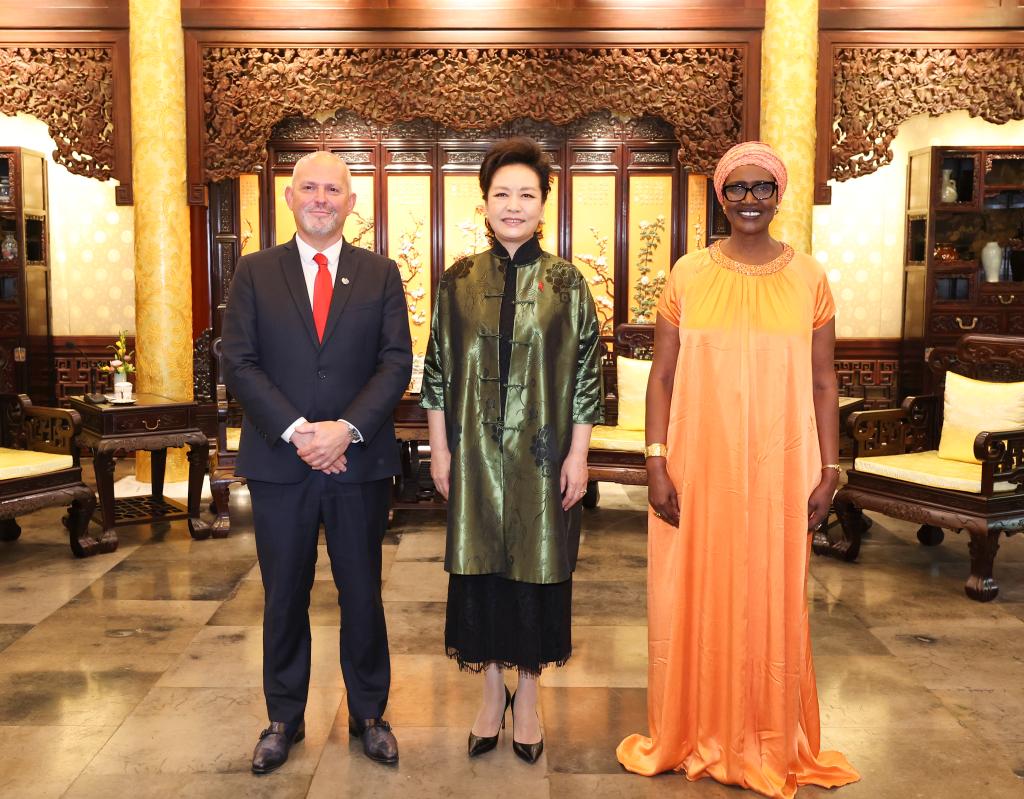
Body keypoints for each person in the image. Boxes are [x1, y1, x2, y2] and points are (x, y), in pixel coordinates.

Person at [616, 141, 860, 798]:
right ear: (720, 196)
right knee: (693, 592)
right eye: (737, 188)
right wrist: (656, 462)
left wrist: (830, 468)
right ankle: (695, 729)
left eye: (762, 188)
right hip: (699, 467)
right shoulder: (688, 274)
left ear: (778, 195)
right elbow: (661, 377)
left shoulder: (809, 277)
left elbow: (823, 380)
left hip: (784, 469)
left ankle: (771, 738)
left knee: (774, 596)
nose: (749, 200)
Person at [222, 151, 412, 774]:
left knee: (363, 592)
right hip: (281, 462)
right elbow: (241, 363)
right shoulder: (254, 271)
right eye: (310, 187)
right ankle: (283, 716)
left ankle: (370, 713)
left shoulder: (380, 274)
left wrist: (347, 431)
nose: (322, 198)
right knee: (283, 595)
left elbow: (395, 363)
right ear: (290, 197)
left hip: (357, 465)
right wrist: (302, 432)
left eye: (335, 188)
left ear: (352, 202)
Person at [420, 137, 603, 764]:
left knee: (538, 571)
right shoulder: (459, 279)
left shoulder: (567, 283)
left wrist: (579, 456)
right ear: (485, 203)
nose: (514, 205)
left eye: (527, 194)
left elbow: (585, 376)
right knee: (482, 571)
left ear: (544, 203)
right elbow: (438, 372)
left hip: (545, 456)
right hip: (473, 456)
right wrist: (439, 453)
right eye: (503, 194)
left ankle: (528, 694)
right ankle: (491, 691)